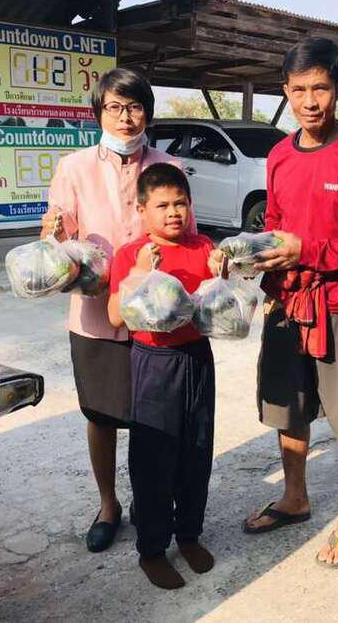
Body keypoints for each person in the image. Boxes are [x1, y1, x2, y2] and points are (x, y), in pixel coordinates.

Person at [242, 38, 338, 568]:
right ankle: (296, 497)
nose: (310, 102)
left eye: (321, 88)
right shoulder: (280, 155)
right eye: (299, 90)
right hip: (287, 303)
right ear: (285, 92)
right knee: (288, 406)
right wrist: (253, 255)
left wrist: (308, 251)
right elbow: (275, 224)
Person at [40, 68, 194, 554]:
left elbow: (186, 233)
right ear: (98, 113)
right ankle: (108, 505)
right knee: (103, 415)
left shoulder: (168, 164)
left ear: (147, 112)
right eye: (114, 107)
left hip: (156, 320)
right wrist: (53, 235)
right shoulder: (74, 167)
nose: (125, 117)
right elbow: (57, 239)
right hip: (95, 317)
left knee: (160, 418)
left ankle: (155, 503)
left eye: (135, 107)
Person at [107, 164, 222, 590]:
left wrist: (223, 273)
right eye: (162, 205)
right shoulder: (131, 254)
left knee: (197, 451)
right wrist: (139, 272)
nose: (173, 212)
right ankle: (152, 549)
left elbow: (215, 309)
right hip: (154, 362)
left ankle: (189, 534)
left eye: (180, 203)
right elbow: (116, 317)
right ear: (141, 210)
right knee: (154, 458)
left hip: (197, 358)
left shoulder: (203, 246)